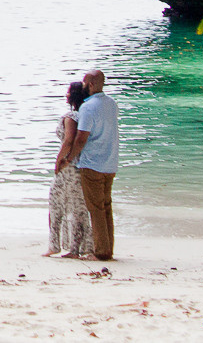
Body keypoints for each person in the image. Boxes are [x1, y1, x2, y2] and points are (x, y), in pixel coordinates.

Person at [73, 69, 120, 261]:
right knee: (106, 207)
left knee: (96, 209)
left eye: (84, 83)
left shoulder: (87, 107)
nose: (82, 86)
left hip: (92, 163)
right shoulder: (112, 104)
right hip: (110, 162)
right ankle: (108, 248)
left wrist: (70, 158)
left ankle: (100, 251)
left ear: (91, 85)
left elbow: (81, 138)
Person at [44, 81, 94, 258]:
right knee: (79, 207)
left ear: (72, 96)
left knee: (56, 204)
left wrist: (60, 161)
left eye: (67, 92)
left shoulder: (71, 116)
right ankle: (80, 247)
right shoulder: (87, 115)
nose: (65, 95)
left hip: (69, 167)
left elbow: (69, 140)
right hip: (82, 164)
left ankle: (55, 245)